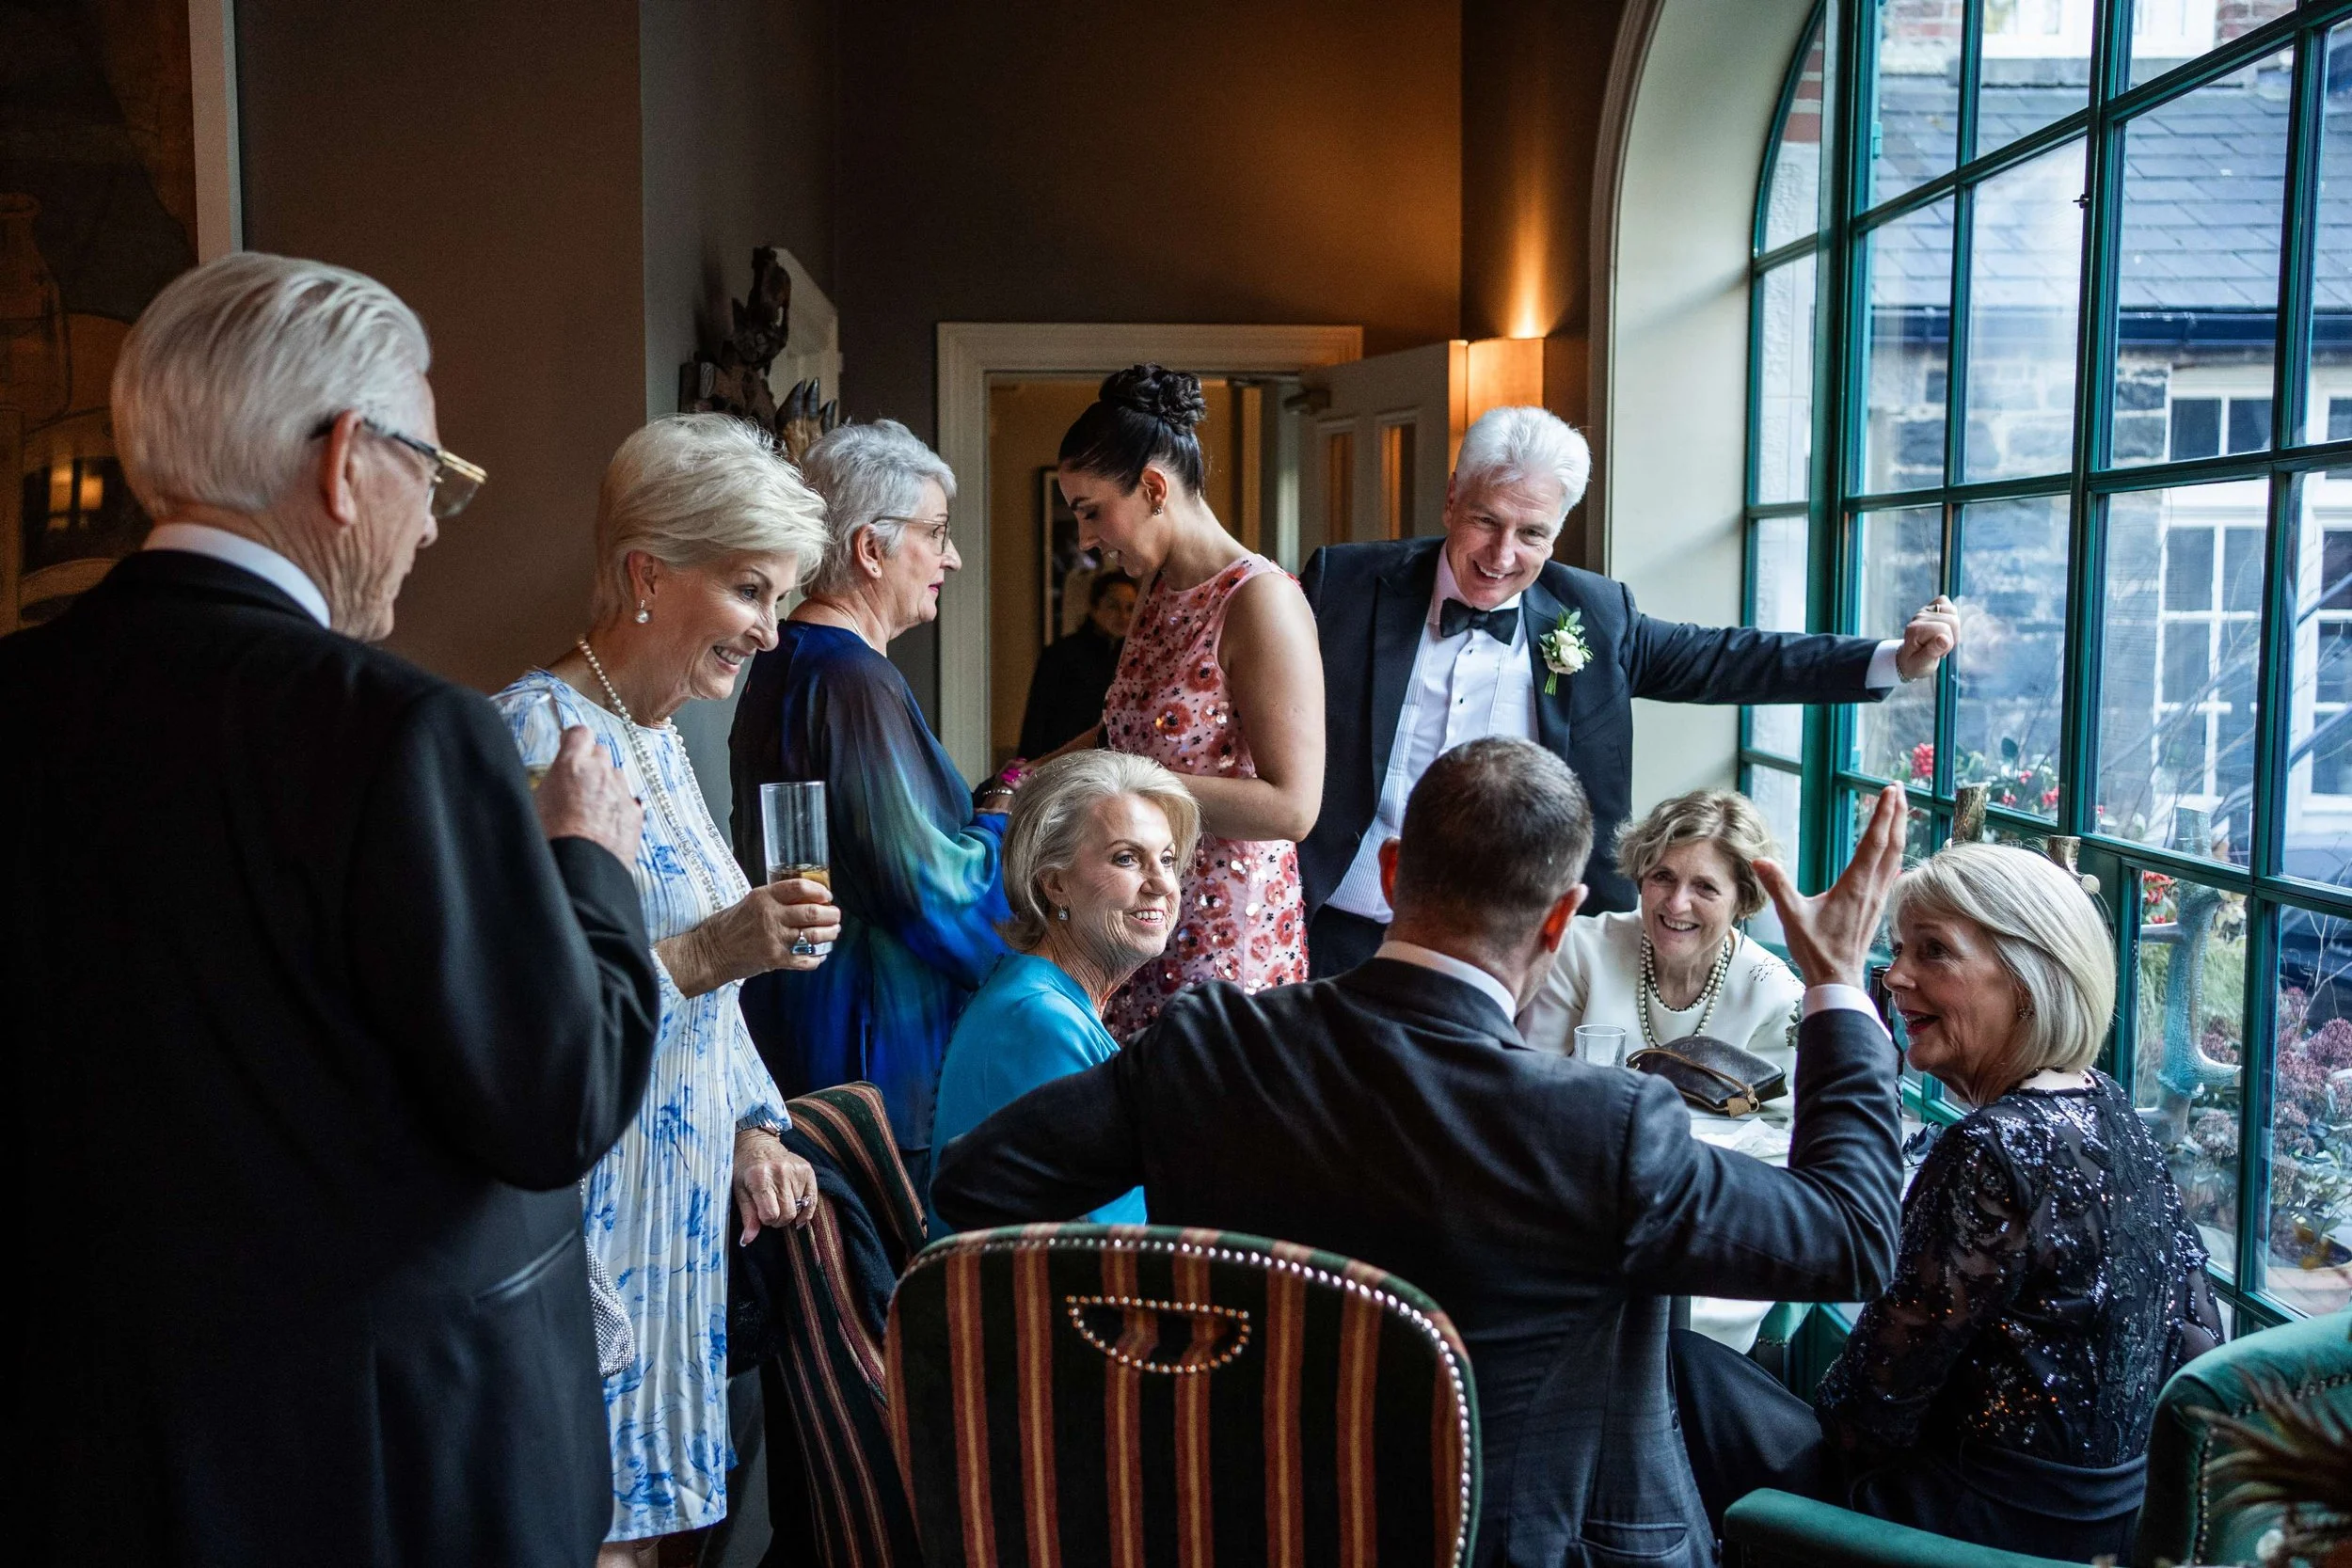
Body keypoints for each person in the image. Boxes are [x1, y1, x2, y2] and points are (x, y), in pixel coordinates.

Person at [5, 253, 662, 1568]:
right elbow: (556, 1102)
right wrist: (589, 862)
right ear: (348, 458)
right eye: (435, 474)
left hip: (74, 1443)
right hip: (380, 1465)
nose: (428, 523)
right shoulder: (401, 733)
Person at [935, 738, 1912, 1568]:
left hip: (1239, 1525)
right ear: (1562, 915)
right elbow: (1854, 1234)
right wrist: (1835, 989)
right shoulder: (1604, 1129)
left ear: (1394, 871)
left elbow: (978, 1182)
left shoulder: (1209, 1044)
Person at [493, 414, 842, 1562]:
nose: (773, 630)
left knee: (651, 1538)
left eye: (781, 596)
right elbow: (517, 1016)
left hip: (680, 1207)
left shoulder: (660, 738)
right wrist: (711, 950)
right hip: (593, 1217)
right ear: (648, 572)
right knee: (587, 1530)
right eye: (751, 589)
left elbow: (709, 1003)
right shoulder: (536, 737)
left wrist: (751, 1126)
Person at [1674, 842, 2224, 1561]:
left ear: (2029, 979)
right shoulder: (2111, 1107)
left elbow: (1861, 1416)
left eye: (1933, 951)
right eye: (1900, 948)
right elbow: (2195, 1335)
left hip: (1960, 1535)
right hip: (2110, 1529)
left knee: (1673, 1355)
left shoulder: (1992, 1148)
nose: (1896, 975)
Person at [1297, 404, 1963, 977]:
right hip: (1343, 925)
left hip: (1518, 946)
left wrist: (1889, 660)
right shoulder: (1346, 586)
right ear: (1450, 499)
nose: (1502, 554)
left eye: (1533, 534)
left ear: (1557, 530)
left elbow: (1728, 659)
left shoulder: (1595, 614)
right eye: (1485, 520)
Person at [730, 419, 1014, 1186]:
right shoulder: (853, 682)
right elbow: (929, 889)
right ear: (869, 547)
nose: (949, 556)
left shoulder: (783, 659)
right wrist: (1004, 818)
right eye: (937, 533)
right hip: (872, 1058)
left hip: (801, 1030)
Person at [1058, 364, 1324, 1037]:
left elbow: (1294, 806)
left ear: (1152, 487)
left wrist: (1130, 786)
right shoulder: (1155, 588)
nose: (1087, 538)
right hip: (1137, 925)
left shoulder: (1262, 600)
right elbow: (1123, 737)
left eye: (1092, 510)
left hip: (1222, 939)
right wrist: (1024, 780)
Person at [1518, 787, 1806, 1354]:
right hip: (1580, 1193)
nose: (1676, 904)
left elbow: (1785, 1145)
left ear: (1743, 900)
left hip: (1709, 1213)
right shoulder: (1584, 949)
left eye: (1705, 887)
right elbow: (1535, 1087)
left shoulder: (1774, 995)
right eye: (1662, 878)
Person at [931, 751, 1200, 1227]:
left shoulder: (1040, 994)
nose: (1162, 883)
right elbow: (1111, 1235)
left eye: (1167, 859)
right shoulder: (1038, 1019)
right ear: (1054, 884)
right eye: (1127, 858)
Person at [1017, 571, 1136, 757]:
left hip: (1117, 762)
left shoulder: (1136, 657)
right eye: (1113, 606)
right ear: (1094, 608)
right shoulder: (1061, 654)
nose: (1123, 616)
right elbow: (1036, 719)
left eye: (1130, 608)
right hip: (1065, 761)